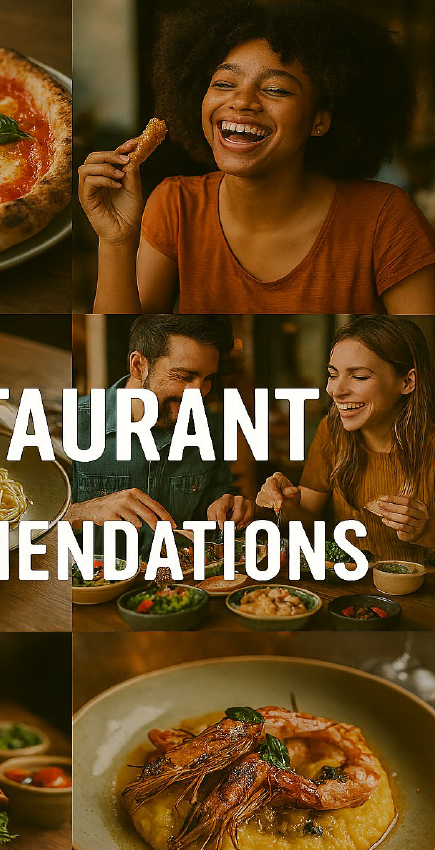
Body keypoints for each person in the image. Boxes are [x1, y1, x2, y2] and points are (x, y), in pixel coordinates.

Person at [79, 0, 435, 315]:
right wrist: (115, 241)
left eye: (276, 89)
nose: (242, 101)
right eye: (224, 84)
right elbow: (131, 342)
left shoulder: (385, 218)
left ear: (319, 120)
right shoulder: (176, 204)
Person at [69, 315, 256, 557]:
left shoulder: (211, 429)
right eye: (183, 376)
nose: (198, 393)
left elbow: (215, 514)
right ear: (138, 366)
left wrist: (233, 508)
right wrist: (80, 512)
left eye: (208, 379)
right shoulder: (70, 424)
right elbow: (31, 522)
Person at [256, 315, 435, 562]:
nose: (336, 391)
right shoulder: (331, 431)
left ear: (407, 381)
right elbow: (306, 517)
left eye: (359, 377)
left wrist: (426, 531)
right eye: (332, 375)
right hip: (347, 580)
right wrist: (284, 502)